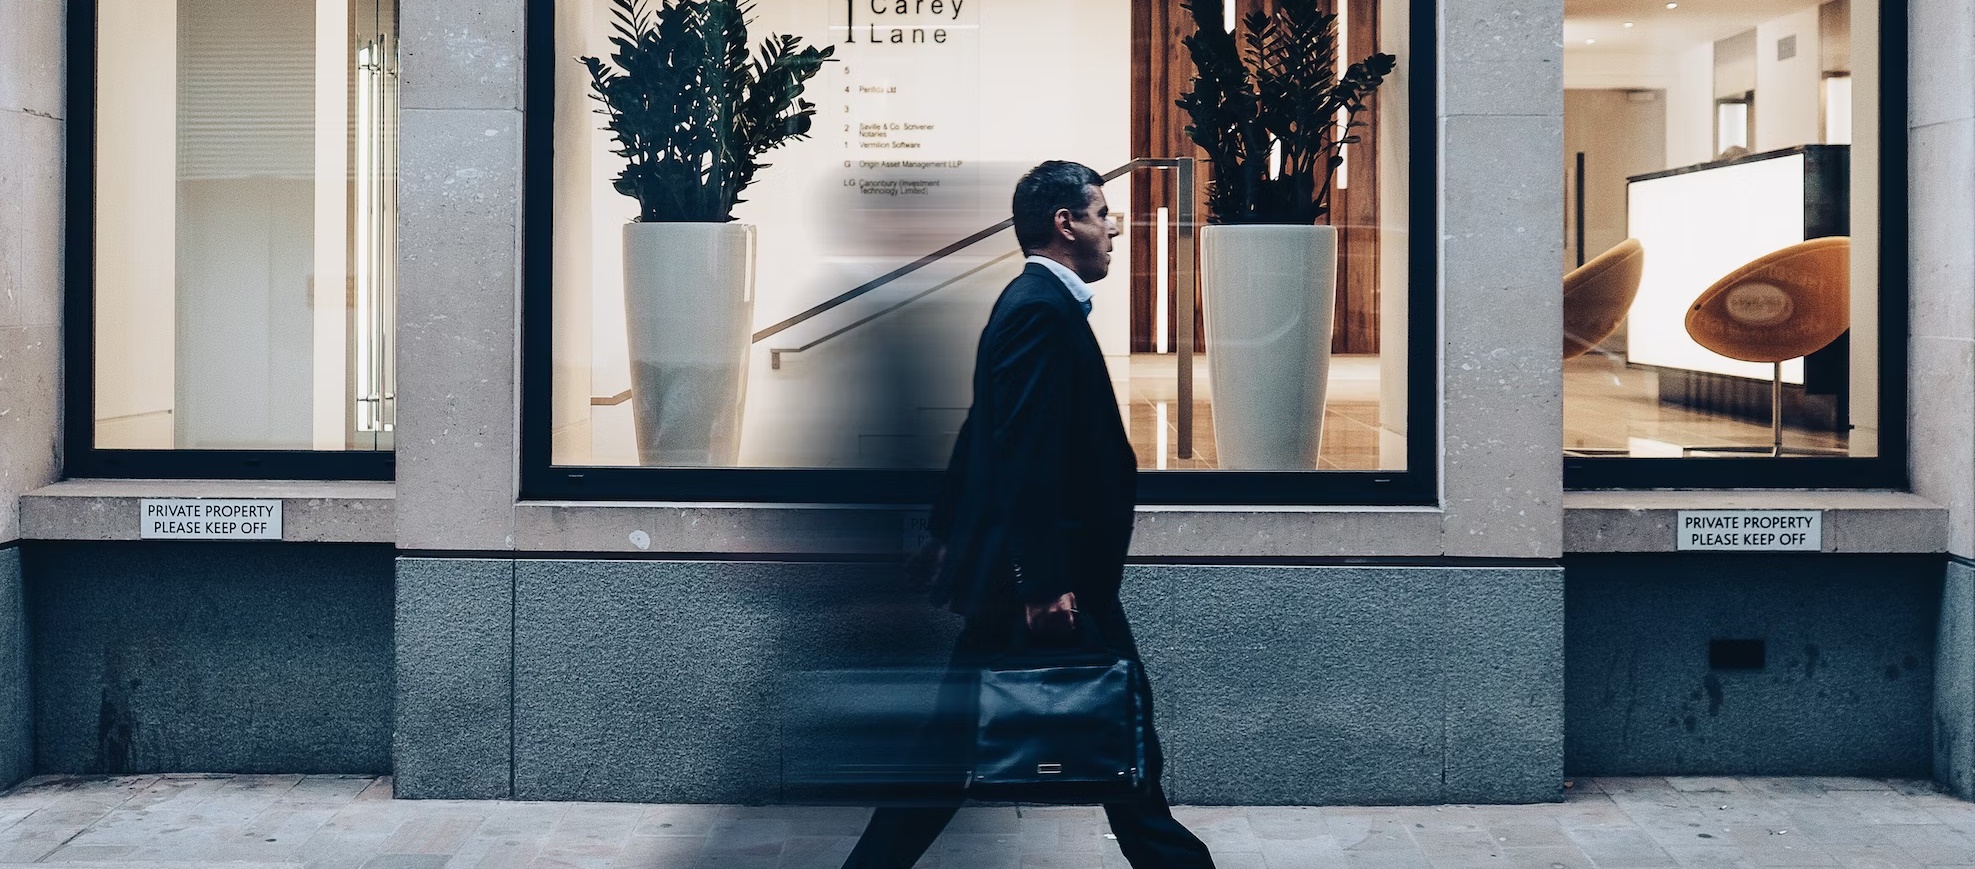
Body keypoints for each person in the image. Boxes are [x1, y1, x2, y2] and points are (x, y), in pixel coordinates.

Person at [841, 161, 1217, 869]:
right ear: (1064, 222)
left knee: (957, 755)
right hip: (1052, 583)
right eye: (1102, 212)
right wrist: (1044, 582)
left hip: (1040, 578)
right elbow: (1021, 452)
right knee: (1128, 751)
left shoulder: (1032, 303)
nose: (1114, 228)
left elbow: (985, 426)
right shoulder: (1037, 309)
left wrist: (946, 529)